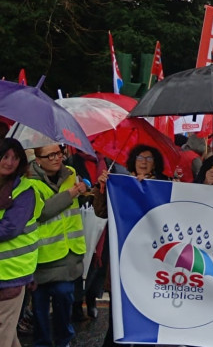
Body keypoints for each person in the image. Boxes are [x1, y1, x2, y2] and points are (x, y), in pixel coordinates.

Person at [93, 146, 170, 347]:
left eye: (149, 158)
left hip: (151, 265)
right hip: (122, 261)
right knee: (118, 316)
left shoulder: (163, 184)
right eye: (139, 157)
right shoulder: (121, 184)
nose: (143, 161)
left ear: (156, 163)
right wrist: (103, 188)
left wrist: (149, 189)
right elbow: (101, 212)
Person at [27, 143, 88, 347]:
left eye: (58, 153)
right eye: (49, 155)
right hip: (41, 255)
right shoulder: (29, 182)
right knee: (40, 305)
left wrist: (87, 185)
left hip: (68, 252)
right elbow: (42, 212)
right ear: (38, 160)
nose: (56, 158)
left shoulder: (71, 172)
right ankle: (42, 342)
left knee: (64, 296)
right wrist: (71, 193)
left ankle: (64, 339)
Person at [0, 138, 42, 347]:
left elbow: (10, 228)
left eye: (15, 158)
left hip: (13, 274)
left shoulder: (25, 190)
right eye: (5, 156)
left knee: (3, 332)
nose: (9, 162)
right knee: (7, 334)